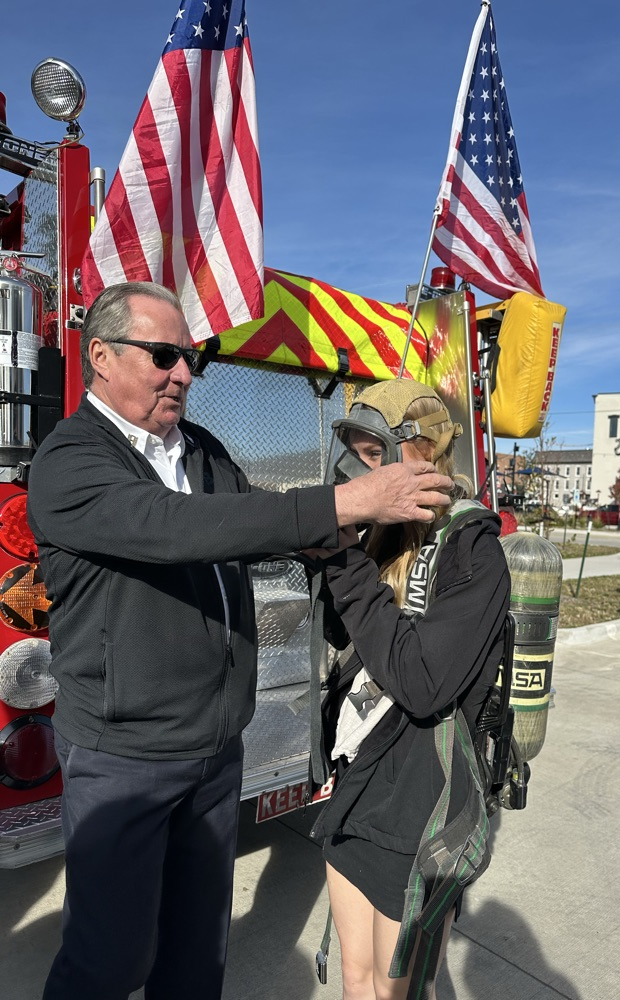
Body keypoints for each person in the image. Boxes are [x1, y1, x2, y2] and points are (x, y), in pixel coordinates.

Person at [27, 282, 454, 1000]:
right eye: (164, 356)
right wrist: (342, 502)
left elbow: (248, 517)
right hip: (124, 757)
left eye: (189, 359)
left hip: (216, 748)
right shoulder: (69, 462)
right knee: (110, 961)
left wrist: (362, 542)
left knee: (196, 958)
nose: (184, 375)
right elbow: (172, 528)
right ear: (100, 356)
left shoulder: (199, 449)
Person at [306, 378, 511, 1000]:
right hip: (360, 781)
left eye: (374, 454)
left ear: (420, 453)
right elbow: (348, 641)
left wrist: (344, 566)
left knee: (396, 991)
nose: (356, 470)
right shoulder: (383, 533)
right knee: (355, 978)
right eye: (353, 451)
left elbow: (423, 684)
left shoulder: (473, 554)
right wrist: (337, 541)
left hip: (421, 802)